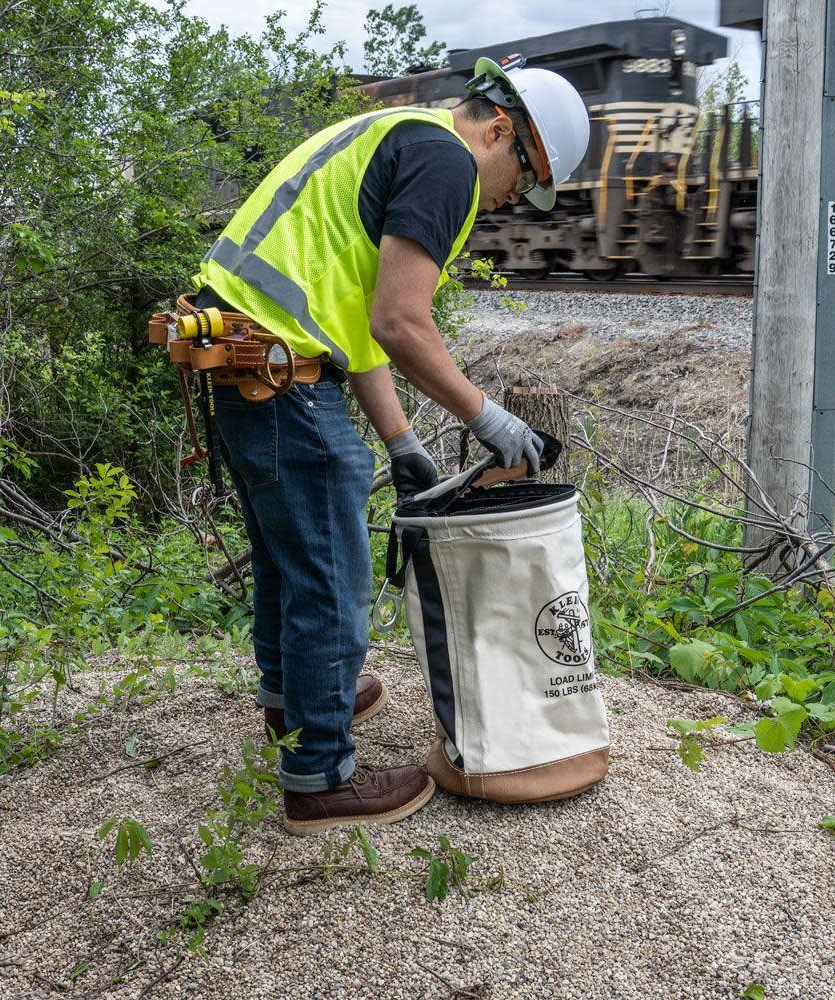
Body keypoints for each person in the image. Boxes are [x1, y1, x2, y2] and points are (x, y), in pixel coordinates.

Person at [191, 54, 590, 835]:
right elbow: (400, 323)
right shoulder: (447, 164)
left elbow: (353, 317)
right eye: (526, 177)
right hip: (281, 374)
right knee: (332, 574)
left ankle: (294, 709)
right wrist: (490, 418)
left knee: (287, 558)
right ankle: (321, 779)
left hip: (248, 357)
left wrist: (402, 440)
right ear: (500, 130)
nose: (516, 200)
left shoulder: (396, 134)